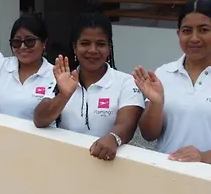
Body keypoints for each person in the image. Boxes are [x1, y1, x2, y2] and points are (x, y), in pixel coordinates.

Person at [34, 12, 144, 161]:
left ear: (109, 47)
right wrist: (64, 95)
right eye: (85, 43)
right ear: (75, 47)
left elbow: (127, 124)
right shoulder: (62, 80)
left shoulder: (126, 82)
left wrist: (113, 137)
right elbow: (40, 119)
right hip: (64, 161)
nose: (92, 50)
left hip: (107, 165)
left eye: (100, 44)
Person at [134, 0, 211, 164]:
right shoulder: (164, 74)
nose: (194, 38)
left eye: (204, 30)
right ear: (178, 34)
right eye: (187, 31)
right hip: (166, 171)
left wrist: (203, 157)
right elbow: (149, 135)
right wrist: (156, 103)